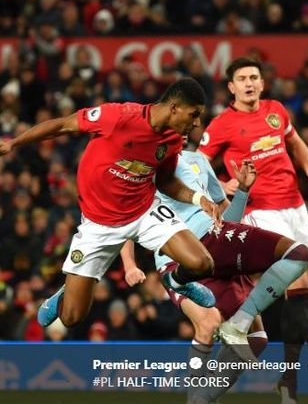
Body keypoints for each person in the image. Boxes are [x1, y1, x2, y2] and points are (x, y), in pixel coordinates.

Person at [0, 78, 221, 329]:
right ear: (174, 108)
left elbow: (166, 181)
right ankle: (67, 290)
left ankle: (177, 282)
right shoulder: (118, 116)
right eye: (193, 115)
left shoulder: (171, 141)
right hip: (98, 223)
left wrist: (198, 198)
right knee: (71, 318)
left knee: (202, 264)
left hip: (144, 211)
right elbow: (63, 125)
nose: (196, 124)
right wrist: (14, 143)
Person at [197, 57, 308, 403]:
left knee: (299, 295)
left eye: (254, 77)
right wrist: (223, 185)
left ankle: (289, 382)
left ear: (262, 83)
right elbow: (197, 163)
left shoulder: (276, 110)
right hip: (261, 211)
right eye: (242, 78)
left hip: (296, 206)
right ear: (232, 87)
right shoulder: (222, 124)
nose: (250, 83)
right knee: (295, 283)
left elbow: (294, 141)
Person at [121, 146, 308, 404]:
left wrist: (243, 191)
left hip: (216, 250)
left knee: (257, 340)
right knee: (208, 323)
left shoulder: (199, 160)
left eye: (196, 119)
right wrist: (129, 264)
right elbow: (122, 220)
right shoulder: (144, 166)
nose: (192, 125)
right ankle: (196, 399)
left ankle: (204, 396)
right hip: (177, 258)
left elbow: (223, 220)